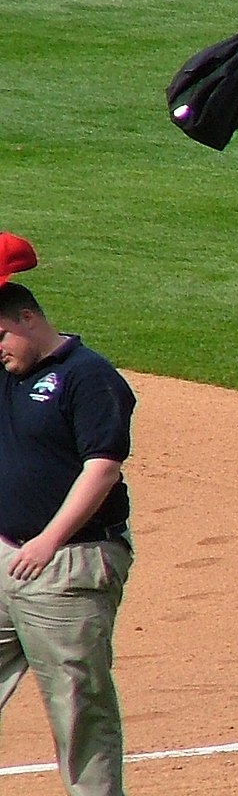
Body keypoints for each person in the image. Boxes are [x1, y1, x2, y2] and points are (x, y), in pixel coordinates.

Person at [0, 234, 137, 796]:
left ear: (28, 318)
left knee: (78, 707)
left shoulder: (90, 376)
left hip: (68, 564)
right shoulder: (7, 371)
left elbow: (101, 469)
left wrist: (47, 542)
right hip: (8, 558)